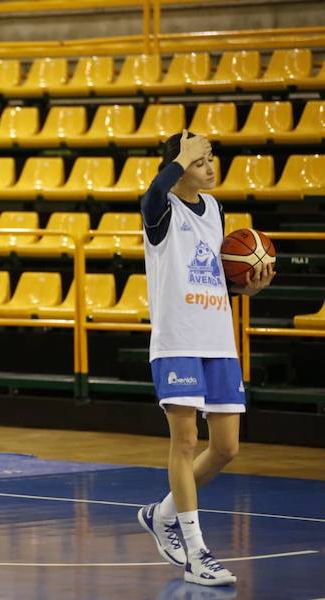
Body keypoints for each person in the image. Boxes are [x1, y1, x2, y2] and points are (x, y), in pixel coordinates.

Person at [137, 131, 274, 586]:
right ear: (178, 165)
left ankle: (162, 514)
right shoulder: (160, 209)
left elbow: (210, 275)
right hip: (178, 341)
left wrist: (244, 287)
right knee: (185, 442)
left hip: (218, 340)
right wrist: (181, 158)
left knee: (226, 448)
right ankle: (196, 553)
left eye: (211, 158)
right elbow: (152, 193)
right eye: (200, 160)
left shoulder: (214, 209)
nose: (210, 167)